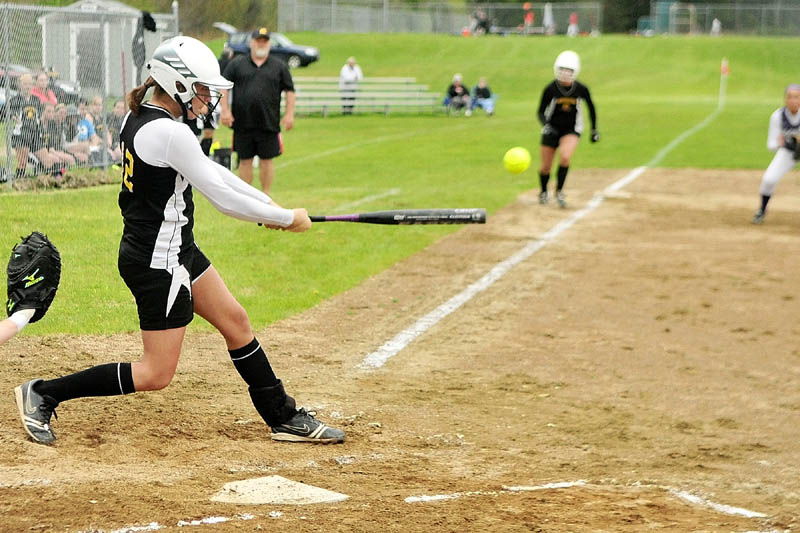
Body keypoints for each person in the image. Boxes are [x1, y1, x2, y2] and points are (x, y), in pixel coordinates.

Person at [12, 35, 345, 446]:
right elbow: (221, 198)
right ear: (178, 84)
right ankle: (43, 392)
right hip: (157, 263)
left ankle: (282, 416)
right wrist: (281, 218)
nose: (208, 98)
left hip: (174, 250)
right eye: (202, 88)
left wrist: (270, 207)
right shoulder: (171, 133)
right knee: (156, 373)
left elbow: (212, 173)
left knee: (236, 322)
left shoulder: (147, 117)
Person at [220, 27, 296, 195]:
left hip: (269, 122)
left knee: (267, 160)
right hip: (242, 122)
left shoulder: (279, 66)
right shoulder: (237, 64)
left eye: (264, 41)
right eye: (258, 41)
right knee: (245, 160)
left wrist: (289, 114)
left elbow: (290, 90)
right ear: (252, 43)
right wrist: (225, 111)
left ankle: (265, 194)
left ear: (269, 44)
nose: (261, 44)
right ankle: (246, 196)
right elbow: (224, 88)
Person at [537, 50, 598, 208]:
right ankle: (543, 192)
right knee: (545, 167)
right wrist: (546, 126)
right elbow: (540, 112)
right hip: (552, 129)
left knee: (565, 157)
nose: (565, 73)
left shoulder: (581, 89)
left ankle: (559, 191)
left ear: (575, 72)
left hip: (571, 129)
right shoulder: (550, 88)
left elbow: (591, 108)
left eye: (569, 71)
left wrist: (594, 130)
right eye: (562, 69)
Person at [752, 84, 800, 224]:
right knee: (769, 180)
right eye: (789, 97)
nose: (793, 100)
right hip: (788, 152)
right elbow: (771, 145)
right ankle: (762, 210)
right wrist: (782, 143)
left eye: (797, 97)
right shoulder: (778, 116)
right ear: (785, 100)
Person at [7, 73, 60, 179]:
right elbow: (8, 114)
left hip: (34, 134)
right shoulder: (14, 100)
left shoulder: (36, 100)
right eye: (25, 84)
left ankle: (55, 180)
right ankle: (19, 183)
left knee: (48, 161)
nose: (27, 86)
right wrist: (13, 117)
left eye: (30, 84)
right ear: (20, 85)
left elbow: (39, 116)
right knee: (22, 163)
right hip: (21, 135)